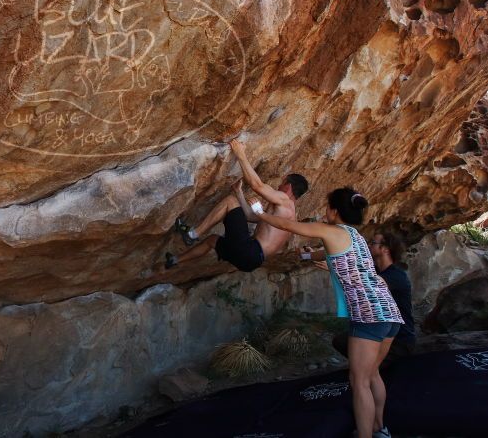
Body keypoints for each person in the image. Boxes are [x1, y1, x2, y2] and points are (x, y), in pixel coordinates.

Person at [254, 187, 404, 438]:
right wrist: (318, 260)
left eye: (327, 207)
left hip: (368, 315)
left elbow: (291, 226)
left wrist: (259, 214)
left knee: (359, 383)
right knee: (373, 374)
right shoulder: (355, 236)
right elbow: (350, 265)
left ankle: (366, 435)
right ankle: (380, 429)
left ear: (334, 210)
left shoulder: (329, 230)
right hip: (389, 312)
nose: (325, 211)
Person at [165, 139, 308, 272]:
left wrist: (240, 154)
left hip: (249, 250)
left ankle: (192, 234)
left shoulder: (284, 200)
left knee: (230, 202)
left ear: (288, 187)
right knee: (212, 241)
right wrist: (239, 193)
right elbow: (251, 217)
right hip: (251, 262)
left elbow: (257, 185)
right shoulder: (289, 216)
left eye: (282, 183)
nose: (278, 185)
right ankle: (175, 260)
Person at [327, 231, 416, 365]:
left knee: (359, 360)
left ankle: (374, 369)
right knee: (341, 341)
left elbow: (369, 282)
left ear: (385, 249)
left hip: (399, 341)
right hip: (381, 331)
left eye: (373, 243)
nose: (368, 246)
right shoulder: (374, 270)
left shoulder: (397, 275)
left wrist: (337, 268)